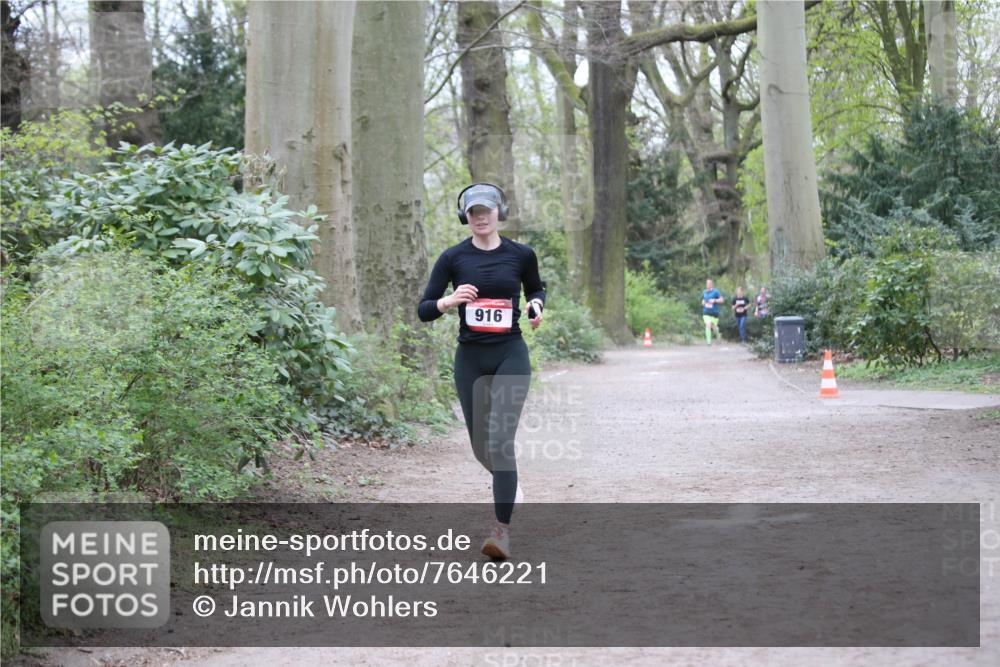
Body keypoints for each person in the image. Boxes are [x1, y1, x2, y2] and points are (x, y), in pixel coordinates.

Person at [417, 183, 545, 560]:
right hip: (470, 358)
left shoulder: (521, 255)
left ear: (499, 212)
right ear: (466, 217)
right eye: (474, 212)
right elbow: (424, 308)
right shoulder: (453, 258)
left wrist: (536, 307)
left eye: (487, 210)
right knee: (481, 447)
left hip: (511, 355)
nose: (481, 216)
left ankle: (500, 532)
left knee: (501, 440)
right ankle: (509, 484)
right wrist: (448, 301)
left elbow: (537, 290)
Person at [701, 278, 723, 345]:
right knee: (708, 324)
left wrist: (715, 300)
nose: (708, 285)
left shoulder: (716, 291)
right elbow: (702, 300)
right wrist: (703, 302)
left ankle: (718, 337)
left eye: (709, 283)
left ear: (712, 284)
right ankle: (708, 342)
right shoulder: (704, 292)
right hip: (706, 312)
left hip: (714, 313)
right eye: (707, 283)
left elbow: (722, 300)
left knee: (714, 327)